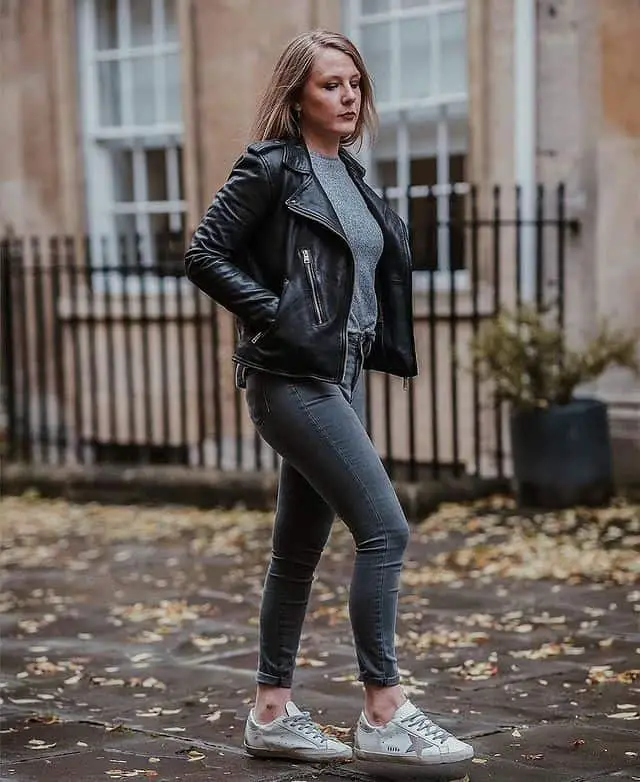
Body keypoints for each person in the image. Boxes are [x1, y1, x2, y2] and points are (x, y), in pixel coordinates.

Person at [185, 29, 474, 769]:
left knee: (297, 552)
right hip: (291, 379)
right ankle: (384, 708)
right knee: (386, 531)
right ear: (296, 95)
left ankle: (271, 712)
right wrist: (273, 312)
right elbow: (203, 252)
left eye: (354, 83)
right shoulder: (272, 166)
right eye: (330, 84)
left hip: (340, 376)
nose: (348, 96)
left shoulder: (349, 172)